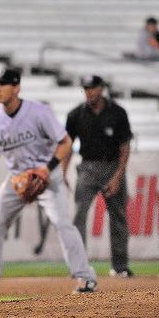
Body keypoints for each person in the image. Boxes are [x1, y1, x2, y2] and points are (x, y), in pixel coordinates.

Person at [0, 67, 97, 295]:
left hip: (47, 176)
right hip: (17, 178)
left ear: (16, 87)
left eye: (3, 84)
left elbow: (65, 143)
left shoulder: (39, 112)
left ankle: (85, 277)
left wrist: (47, 169)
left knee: (62, 223)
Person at [65, 75, 133, 278]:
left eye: (93, 88)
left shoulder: (118, 113)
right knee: (79, 215)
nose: (89, 92)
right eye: (86, 88)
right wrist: (62, 172)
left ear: (101, 89)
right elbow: (66, 146)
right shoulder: (75, 114)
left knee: (118, 216)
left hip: (113, 166)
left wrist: (118, 176)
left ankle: (120, 266)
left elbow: (125, 147)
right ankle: (78, 267)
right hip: (87, 167)